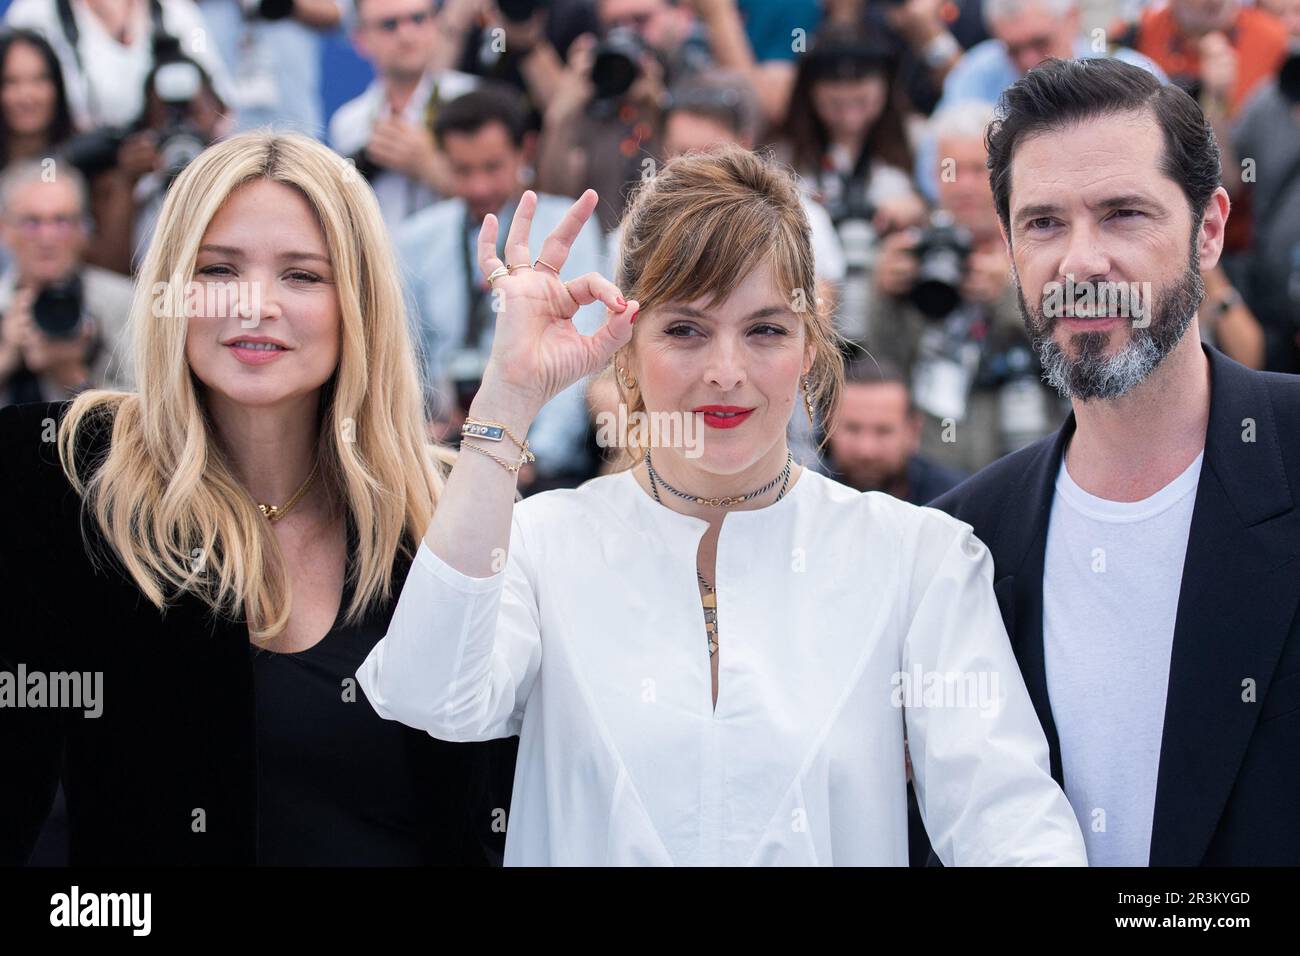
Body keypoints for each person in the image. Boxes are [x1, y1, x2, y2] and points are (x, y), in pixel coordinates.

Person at [355, 144, 1088, 866]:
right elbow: (431, 693)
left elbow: (1008, 824)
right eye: (685, 329)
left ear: (810, 346)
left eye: (765, 329)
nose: (726, 372)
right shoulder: (542, 542)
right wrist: (508, 397)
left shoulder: (917, 559)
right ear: (626, 344)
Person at [0, 131, 511, 866]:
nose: (256, 306)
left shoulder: (437, 517)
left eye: (302, 276)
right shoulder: (62, 477)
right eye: (218, 270)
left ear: (357, 301)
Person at [927, 57, 1300, 865]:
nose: (1081, 263)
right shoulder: (958, 544)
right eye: (1045, 223)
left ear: (1209, 230)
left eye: (1123, 214)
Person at [394, 84, 607, 491]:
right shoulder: (417, 237)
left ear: (524, 150)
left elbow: (580, 359)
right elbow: (403, 354)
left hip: (540, 463)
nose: (478, 187)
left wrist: (534, 456)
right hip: (444, 451)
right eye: (462, 170)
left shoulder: (566, 226)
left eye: (492, 167)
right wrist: (420, 434)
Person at [871, 100, 1064, 473]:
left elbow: (1073, 364)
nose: (964, 186)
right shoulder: (912, 250)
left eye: (978, 170)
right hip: (928, 464)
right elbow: (879, 367)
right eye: (951, 171)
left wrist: (1013, 296)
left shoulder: (1044, 248)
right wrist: (884, 294)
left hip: (1023, 455)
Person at [915, 0, 1165, 201]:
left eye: (1039, 42)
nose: (1028, 61)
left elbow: (1168, 164)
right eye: (1013, 49)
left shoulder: (1132, 72)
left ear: (1073, 19)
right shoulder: (977, 72)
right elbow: (934, 169)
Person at [329, 0, 478, 227]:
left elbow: (517, 200)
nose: (407, 34)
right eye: (389, 24)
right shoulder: (348, 121)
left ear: (436, 23)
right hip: (382, 258)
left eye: (418, 19)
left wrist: (432, 167)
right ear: (360, 39)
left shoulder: (473, 99)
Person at [0, 160, 133, 407]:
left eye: (61, 221)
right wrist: (7, 356)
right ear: (4, 229)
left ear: (83, 230)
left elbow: (150, 421)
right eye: (32, 222)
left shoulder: (125, 303)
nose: (47, 237)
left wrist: (72, 375)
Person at [4, 0, 235, 132]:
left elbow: (221, 113)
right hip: (69, 183)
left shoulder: (176, 12)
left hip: (161, 182)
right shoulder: (33, 15)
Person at [824, 355, 967, 504]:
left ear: (913, 431)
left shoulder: (955, 504)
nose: (866, 450)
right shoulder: (805, 499)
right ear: (829, 425)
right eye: (852, 429)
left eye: (883, 431)